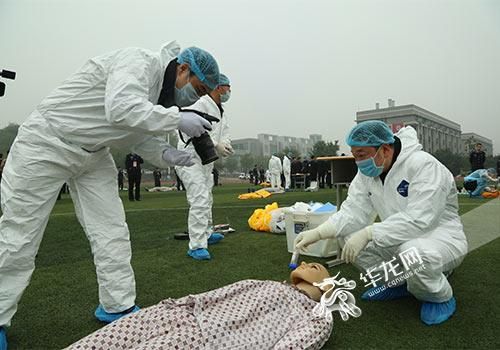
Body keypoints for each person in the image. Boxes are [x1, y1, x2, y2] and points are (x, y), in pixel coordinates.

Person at [0, 41, 221, 346]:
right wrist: (174, 119)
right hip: (47, 141)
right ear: (183, 69)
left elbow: (137, 136)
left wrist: (168, 155)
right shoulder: (139, 62)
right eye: (197, 89)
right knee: (19, 236)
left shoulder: (161, 95)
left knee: (112, 230)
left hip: (94, 153)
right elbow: (120, 108)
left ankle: (118, 305)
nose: (194, 98)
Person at [294, 120, 468, 326]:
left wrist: (369, 233)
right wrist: (319, 232)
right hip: (396, 236)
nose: (358, 162)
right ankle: (398, 282)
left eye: (361, 155)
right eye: (355, 155)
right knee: (347, 234)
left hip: (439, 239)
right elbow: (352, 211)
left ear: (385, 149)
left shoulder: (423, 165)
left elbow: (421, 219)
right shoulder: (368, 172)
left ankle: (438, 296)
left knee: (415, 253)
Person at [67, 263, 335, 350]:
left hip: (205, 340)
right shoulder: (267, 283)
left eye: (315, 267)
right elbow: (219, 294)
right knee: (98, 342)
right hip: (176, 312)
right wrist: (180, 305)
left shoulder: (317, 315)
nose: (306, 264)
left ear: (327, 287)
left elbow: (293, 345)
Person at [175, 74, 233, 261]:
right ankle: (197, 246)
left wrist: (224, 144)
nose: (229, 91)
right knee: (199, 198)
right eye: (227, 87)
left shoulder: (220, 110)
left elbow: (224, 132)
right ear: (218, 87)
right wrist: (216, 143)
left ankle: (207, 233)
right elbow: (186, 124)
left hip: (206, 160)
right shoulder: (200, 103)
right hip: (190, 156)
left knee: (207, 197)